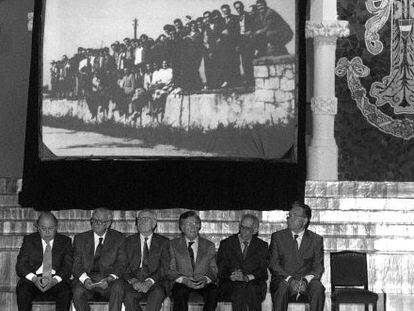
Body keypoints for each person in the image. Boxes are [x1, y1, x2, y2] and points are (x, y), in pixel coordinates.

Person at [269, 202, 325, 311]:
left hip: (306, 282)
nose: (290, 218)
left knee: (318, 288)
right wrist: (290, 280)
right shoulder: (277, 237)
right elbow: (273, 264)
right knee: (282, 286)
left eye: (294, 216)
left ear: (305, 221)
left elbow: (318, 267)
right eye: (289, 215)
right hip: (284, 279)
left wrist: (305, 281)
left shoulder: (316, 239)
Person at [15, 212, 73, 311]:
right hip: (33, 279)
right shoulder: (29, 240)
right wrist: (34, 279)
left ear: (56, 227)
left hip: (56, 279)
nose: (47, 232)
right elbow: (20, 265)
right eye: (43, 228)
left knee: (66, 292)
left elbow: (68, 265)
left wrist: (55, 280)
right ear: (37, 227)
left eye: (51, 228)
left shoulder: (65, 241)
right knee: (23, 292)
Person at [72, 208, 127, 311]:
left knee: (118, 287)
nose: (95, 223)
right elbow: (76, 264)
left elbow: (122, 264)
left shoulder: (119, 238)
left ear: (108, 223)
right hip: (87, 279)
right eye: (93, 220)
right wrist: (85, 279)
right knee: (77, 291)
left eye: (99, 221)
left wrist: (109, 278)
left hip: (109, 281)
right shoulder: (80, 238)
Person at [168, 211, 218, 311]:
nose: (192, 227)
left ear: (199, 226)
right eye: (188, 224)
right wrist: (185, 280)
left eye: (195, 223)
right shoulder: (172, 245)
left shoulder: (209, 245)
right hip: (182, 281)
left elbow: (213, 270)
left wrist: (205, 279)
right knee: (179, 292)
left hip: (202, 281)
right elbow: (170, 270)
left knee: (214, 291)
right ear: (181, 228)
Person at [217, 214, 268, 311]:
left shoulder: (262, 246)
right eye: (242, 227)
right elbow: (220, 269)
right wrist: (232, 275)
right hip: (230, 284)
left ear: (255, 230)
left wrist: (246, 277)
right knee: (239, 288)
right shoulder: (226, 244)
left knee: (252, 289)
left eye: (248, 228)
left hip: (254, 284)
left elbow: (262, 272)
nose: (244, 231)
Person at [123, 210, 170, 311]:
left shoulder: (164, 242)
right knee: (128, 297)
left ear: (154, 223)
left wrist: (149, 282)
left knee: (157, 293)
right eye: (139, 219)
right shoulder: (128, 241)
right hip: (134, 282)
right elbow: (123, 265)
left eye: (145, 219)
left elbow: (165, 267)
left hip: (156, 282)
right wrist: (133, 281)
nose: (141, 222)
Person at [234, 1, 256, 85]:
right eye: (236, 8)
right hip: (241, 41)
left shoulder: (249, 15)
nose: (238, 9)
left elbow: (255, 26)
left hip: (249, 40)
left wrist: (250, 31)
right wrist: (237, 44)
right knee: (243, 61)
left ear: (243, 7)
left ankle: (252, 80)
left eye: (239, 7)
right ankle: (248, 80)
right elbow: (236, 32)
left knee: (249, 59)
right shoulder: (236, 18)